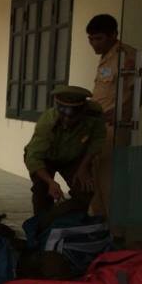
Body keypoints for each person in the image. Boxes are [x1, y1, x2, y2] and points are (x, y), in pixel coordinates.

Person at [86, 14, 142, 221]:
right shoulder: (107, 56)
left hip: (114, 128)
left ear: (113, 35)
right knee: (97, 177)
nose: (94, 43)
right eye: (91, 39)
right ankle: (98, 223)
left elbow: (141, 87)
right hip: (99, 127)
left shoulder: (126, 56)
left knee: (110, 179)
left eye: (99, 38)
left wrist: (123, 113)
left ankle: (115, 226)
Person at [23, 85, 106, 216]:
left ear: (83, 110)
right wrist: (50, 182)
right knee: (42, 192)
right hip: (45, 159)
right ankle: (42, 224)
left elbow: (97, 140)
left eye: (72, 116)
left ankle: (62, 220)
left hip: (73, 158)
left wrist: (83, 168)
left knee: (85, 192)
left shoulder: (94, 114)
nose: (67, 120)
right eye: (63, 115)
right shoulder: (47, 122)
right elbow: (34, 157)